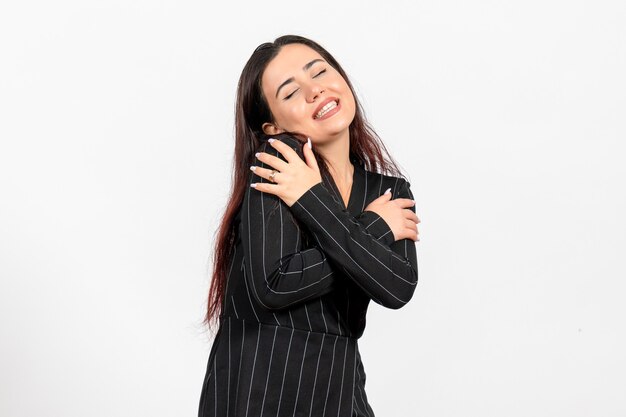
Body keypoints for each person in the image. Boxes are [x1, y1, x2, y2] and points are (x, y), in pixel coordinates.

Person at [198, 34, 420, 417]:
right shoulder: (278, 165)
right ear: (271, 127)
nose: (315, 90)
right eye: (290, 92)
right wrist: (376, 229)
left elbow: (397, 286)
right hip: (259, 383)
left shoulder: (388, 189)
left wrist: (308, 197)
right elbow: (275, 283)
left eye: (319, 72)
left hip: (338, 384)